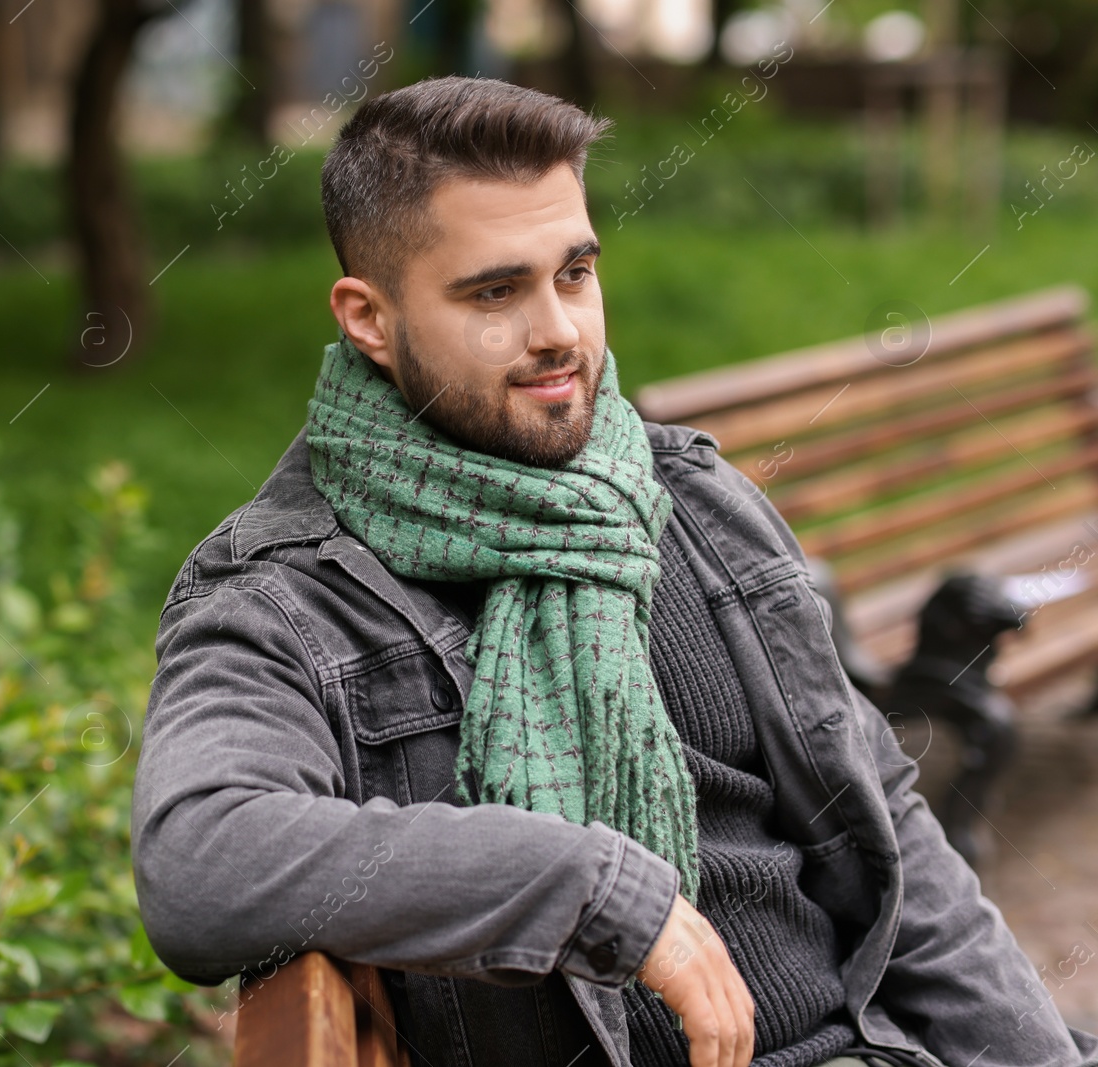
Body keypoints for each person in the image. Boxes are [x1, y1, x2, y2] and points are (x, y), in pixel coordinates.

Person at [130, 75, 1098, 1067]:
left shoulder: (687, 494)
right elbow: (201, 862)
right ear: (367, 317)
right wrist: (594, 890)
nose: (558, 330)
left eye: (576, 272)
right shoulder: (286, 593)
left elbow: (883, 816)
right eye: (495, 291)